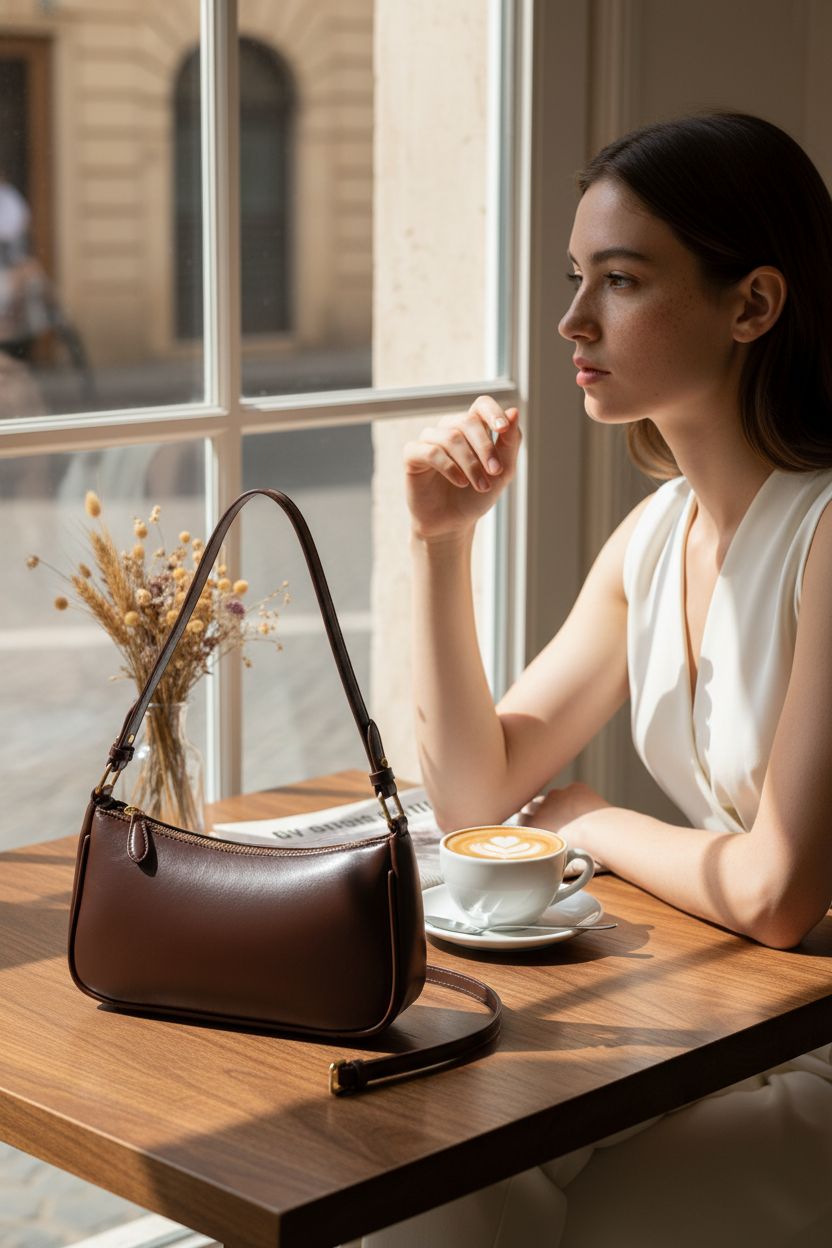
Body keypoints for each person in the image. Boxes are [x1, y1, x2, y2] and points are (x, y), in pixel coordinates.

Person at [349, 113, 832, 1247]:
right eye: (577, 277)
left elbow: (776, 893)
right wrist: (440, 544)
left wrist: (588, 818)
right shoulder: (654, 537)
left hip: (805, 1039)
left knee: (505, 1202)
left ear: (751, 306)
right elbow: (475, 796)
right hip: (733, 1011)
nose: (571, 320)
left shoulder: (824, 538)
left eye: (619, 280)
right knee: (440, 1174)